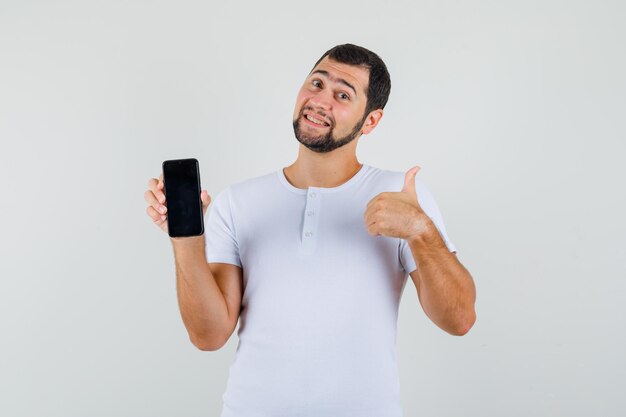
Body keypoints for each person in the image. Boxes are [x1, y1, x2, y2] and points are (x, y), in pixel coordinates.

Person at [144, 43, 476, 417]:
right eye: (316, 83)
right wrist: (186, 239)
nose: (320, 100)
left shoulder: (400, 197)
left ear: (370, 121)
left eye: (342, 94)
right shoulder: (238, 202)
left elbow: (459, 319)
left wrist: (421, 231)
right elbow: (208, 336)